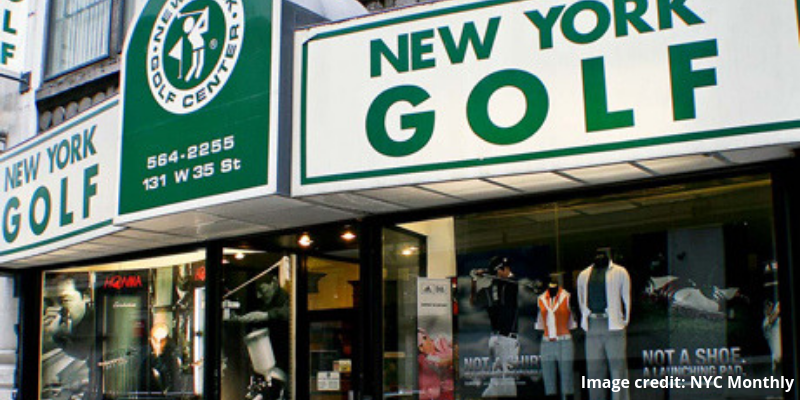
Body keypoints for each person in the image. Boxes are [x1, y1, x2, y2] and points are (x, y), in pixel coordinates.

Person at [226, 272, 290, 400]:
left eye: (261, 290)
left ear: (274, 282)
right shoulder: (265, 304)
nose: (259, 295)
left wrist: (266, 316)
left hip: (283, 367)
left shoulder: (288, 302)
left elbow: (290, 312)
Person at [577, 248, 630, 400]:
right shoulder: (583, 275)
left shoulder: (620, 272)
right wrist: (585, 318)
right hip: (592, 323)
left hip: (613, 324)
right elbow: (581, 299)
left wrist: (623, 321)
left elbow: (626, 298)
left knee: (618, 370)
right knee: (594, 371)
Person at [470, 256, 519, 398]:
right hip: (498, 337)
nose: (507, 271)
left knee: (504, 379)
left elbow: (511, 280)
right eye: (504, 269)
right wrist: (478, 276)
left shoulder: (510, 284)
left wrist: (484, 273)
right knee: (499, 379)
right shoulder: (497, 287)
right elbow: (474, 301)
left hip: (505, 338)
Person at [536, 280, 576, 400]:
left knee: (567, 380)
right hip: (546, 342)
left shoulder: (567, 296)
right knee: (548, 381)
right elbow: (540, 324)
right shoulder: (541, 298)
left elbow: (573, 323)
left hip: (564, 341)